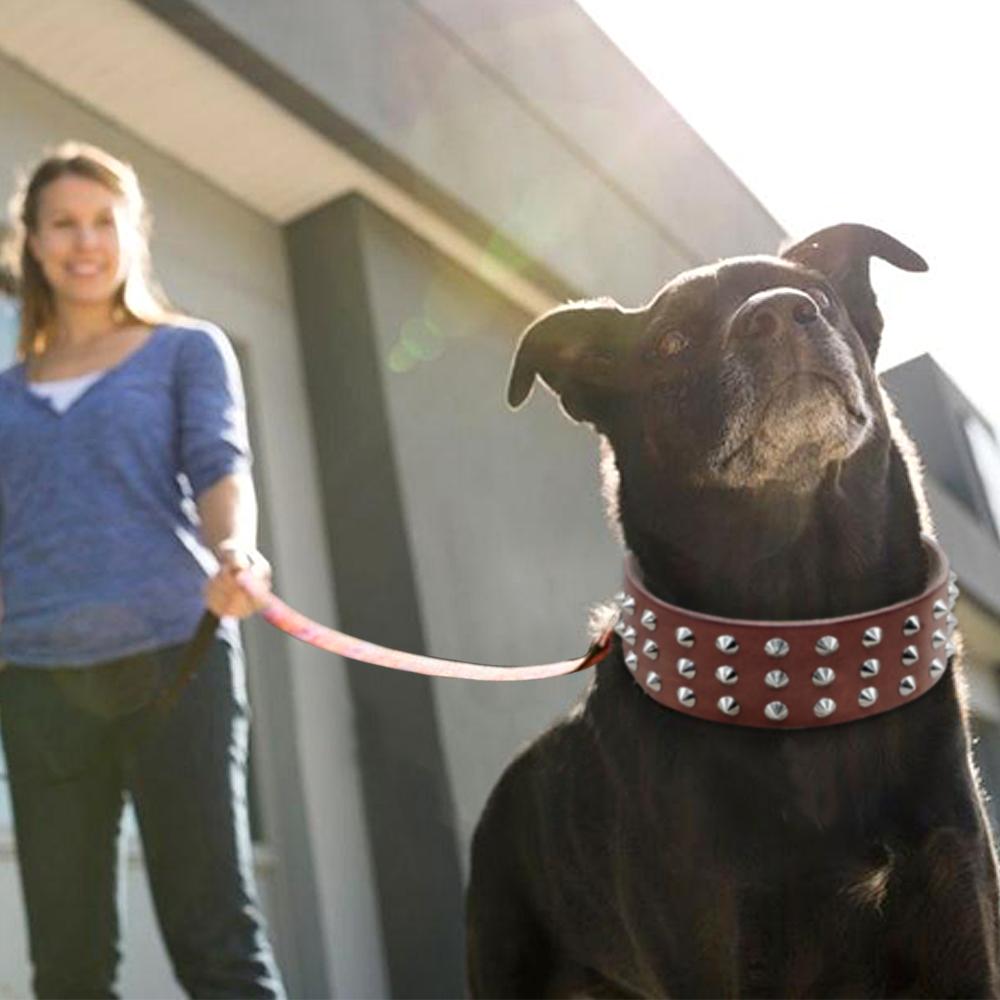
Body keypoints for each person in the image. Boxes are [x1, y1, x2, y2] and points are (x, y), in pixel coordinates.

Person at [0, 141, 285, 999]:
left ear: (131, 235)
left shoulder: (184, 350)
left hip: (175, 661)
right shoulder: (6, 396)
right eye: (63, 225)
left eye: (102, 222)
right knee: (68, 966)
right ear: (34, 243)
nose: (84, 242)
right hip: (38, 681)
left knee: (215, 942)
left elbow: (219, 465)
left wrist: (234, 548)